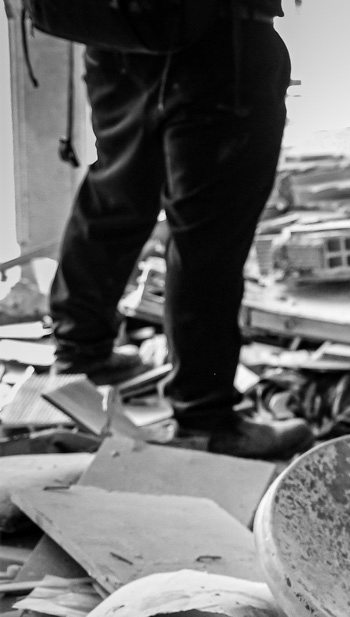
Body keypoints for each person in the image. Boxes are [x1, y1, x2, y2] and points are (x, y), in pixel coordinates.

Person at [39, 0, 312, 458]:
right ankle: (204, 418)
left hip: (120, 39)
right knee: (209, 236)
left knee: (114, 198)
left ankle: (79, 357)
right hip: (220, 41)